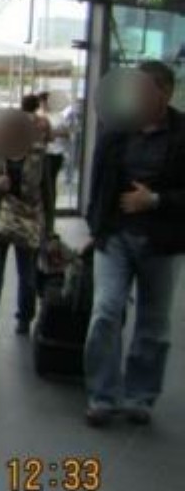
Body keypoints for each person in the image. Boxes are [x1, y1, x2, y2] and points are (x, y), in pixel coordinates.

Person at [83, 60, 185, 428]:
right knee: (106, 310)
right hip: (116, 236)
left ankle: (140, 397)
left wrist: (154, 200)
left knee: (153, 323)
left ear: (164, 92)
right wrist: (95, 228)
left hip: (163, 241)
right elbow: (99, 181)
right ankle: (102, 396)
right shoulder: (117, 129)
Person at [0, 108, 45, 343]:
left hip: (27, 221)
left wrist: (47, 229)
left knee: (27, 276)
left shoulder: (38, 156)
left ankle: (25, 316)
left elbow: (47, 194)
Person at [39, 91, 68, 232]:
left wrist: (52, 133)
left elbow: (66, 133)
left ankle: (50, 217)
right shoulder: (39, 116)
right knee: (43, 186)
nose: (43, 105)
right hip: (43, 154)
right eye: (41, 102)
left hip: (55, 154)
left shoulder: (58, 116)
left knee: (50, 186)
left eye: (44, 102)